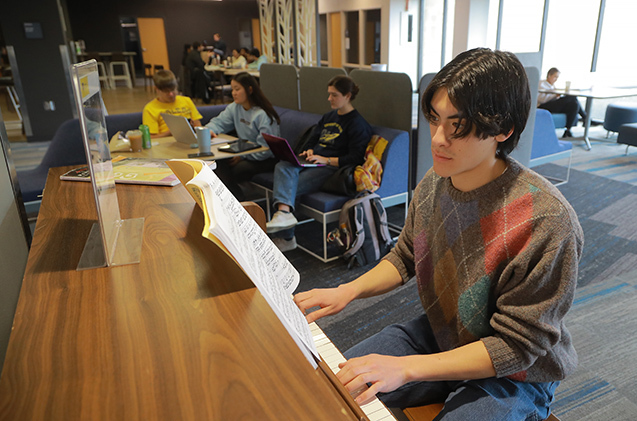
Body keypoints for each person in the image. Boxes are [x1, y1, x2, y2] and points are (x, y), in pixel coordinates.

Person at [294, 48, 583, 420]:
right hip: (442, 333)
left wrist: (408, 369)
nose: (437, 139)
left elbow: (516, 346)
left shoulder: (548, 220)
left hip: (517, 373)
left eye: (457, 126)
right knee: (335, 387)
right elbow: (406, 256)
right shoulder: (436, 182)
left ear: (503, 129)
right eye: (435, 119)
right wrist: (347, 290)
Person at [266, 75, 372, 251]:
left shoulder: (358, 124)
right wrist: (309, 150)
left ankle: (286, 235)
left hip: (331, 168)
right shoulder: (329, 116)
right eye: (329, 94)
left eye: (334, 95)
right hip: (313, 162)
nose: (329, 98)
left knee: (289, 184)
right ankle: (284, 215)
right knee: (283, 165)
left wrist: (326, 159)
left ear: (347, 96)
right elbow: (313, 138)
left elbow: (355, 159)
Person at [206, 72, 281, 201]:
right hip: (244, 152)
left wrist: (242, 156)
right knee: (217, 164)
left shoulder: (263, 115)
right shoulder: (235, 107)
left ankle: (238, 203)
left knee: (233, 171)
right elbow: (219, 122)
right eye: (232, 89)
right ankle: (235, 202)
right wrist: (208, 130)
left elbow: (265, 149)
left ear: (250, 89)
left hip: (266, 158)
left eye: (237, 89)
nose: (233, 93)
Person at [142, 69, 202, 138]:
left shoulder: (186, 100)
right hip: (165, 142)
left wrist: (192, 128)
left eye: (173, 90)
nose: (171, 94)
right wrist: (171, 132)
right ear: (157, 90)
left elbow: (198, 125)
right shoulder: (150, 109)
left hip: (188, 139)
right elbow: (150, 137)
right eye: (166, 91)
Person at [537, 67, 587, 138]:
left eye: (557, 77)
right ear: (549, 75)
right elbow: (541, 99)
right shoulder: (541, 84)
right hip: (543, 106)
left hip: (553, 105)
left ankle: (567, 130)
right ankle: (586, 118)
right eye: (555, 77)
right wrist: (555, 95)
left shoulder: (552, 86)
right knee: (572, 97)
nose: (556, 79)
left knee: (574, 104)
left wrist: (556, 96)